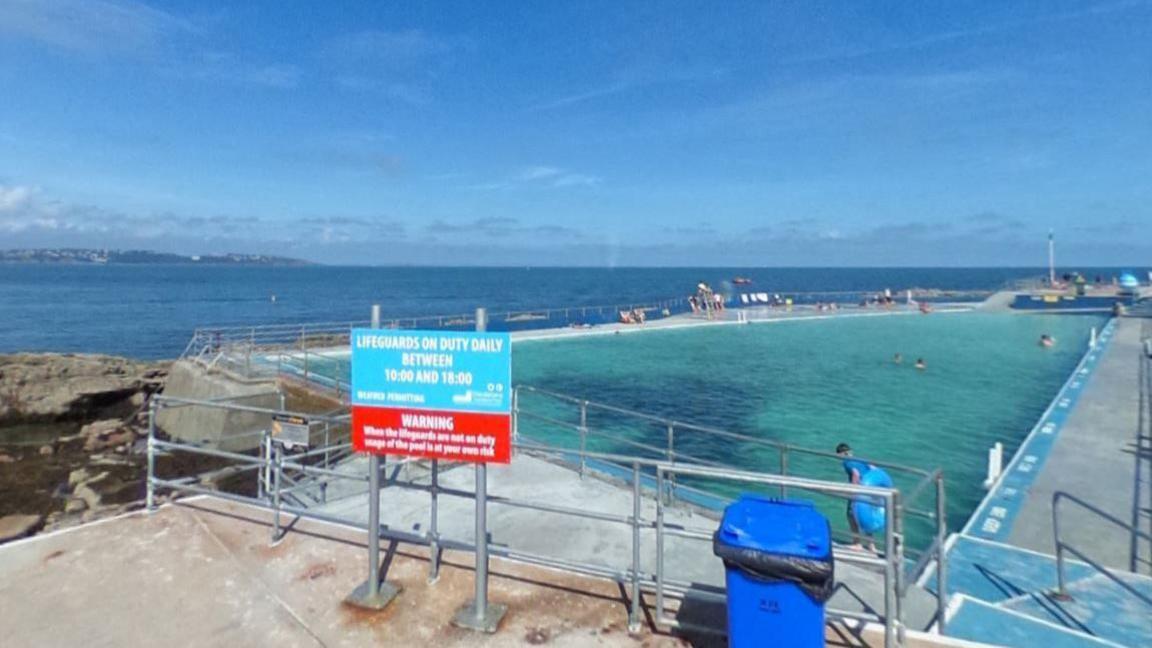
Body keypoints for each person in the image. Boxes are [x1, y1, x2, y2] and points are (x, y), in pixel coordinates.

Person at [836, 443, 876, 552]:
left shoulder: (847, 462)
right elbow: (873, 468)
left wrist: (853, 491)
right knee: (866, 516)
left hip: (859, 491)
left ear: (841, 454)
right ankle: (871, 545)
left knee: (851, 515)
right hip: (869, 490)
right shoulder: (859, 459)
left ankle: (857, 543)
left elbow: (856, 474)